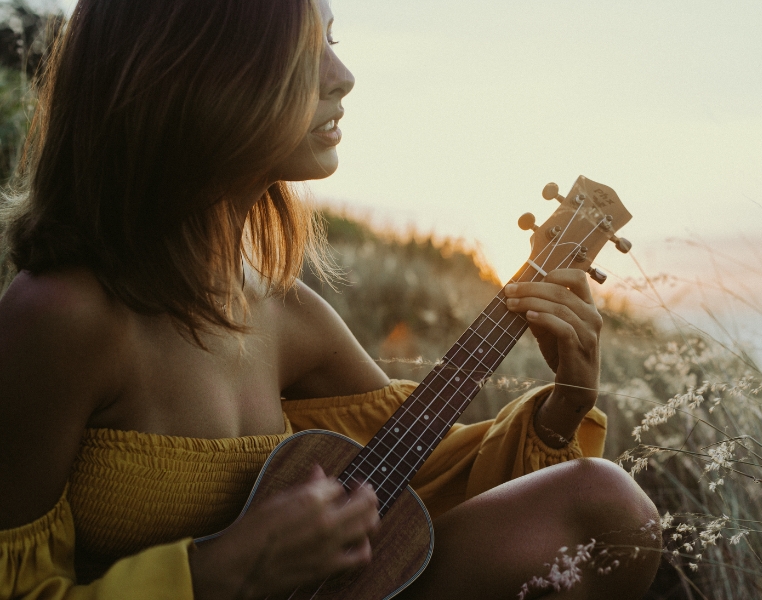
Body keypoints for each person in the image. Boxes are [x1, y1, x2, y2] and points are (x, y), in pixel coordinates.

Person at [0, 0, 661, 598]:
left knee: (606, 505)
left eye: (333, 39)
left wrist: (564, 406)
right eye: (301, 51)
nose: (342, 75)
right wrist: (221, 569)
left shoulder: (288, 316)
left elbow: (416, 485)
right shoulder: (62, 319)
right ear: (192, 79)